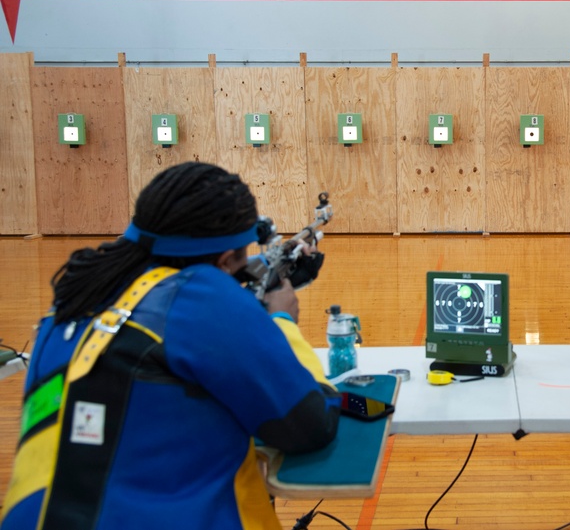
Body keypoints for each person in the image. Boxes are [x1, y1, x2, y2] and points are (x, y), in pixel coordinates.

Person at [1, 162, 340, 530]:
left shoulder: (73, 299)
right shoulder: (203, 299)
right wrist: (282, 322)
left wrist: (254, 268)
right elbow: (309, 423)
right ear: (225, 261)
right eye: (241, 257)